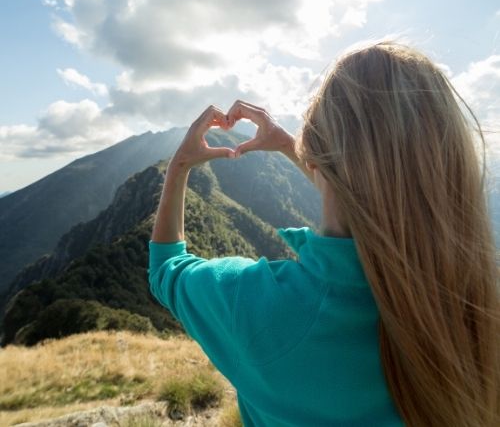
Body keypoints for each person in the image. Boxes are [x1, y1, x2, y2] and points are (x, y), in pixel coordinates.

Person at [148, 41, 500, 426]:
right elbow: (372, 210)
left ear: (315, 154)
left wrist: (179, 165)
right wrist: (290, 145)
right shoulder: (476, 312)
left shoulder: (253, 306)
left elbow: (167, 267)